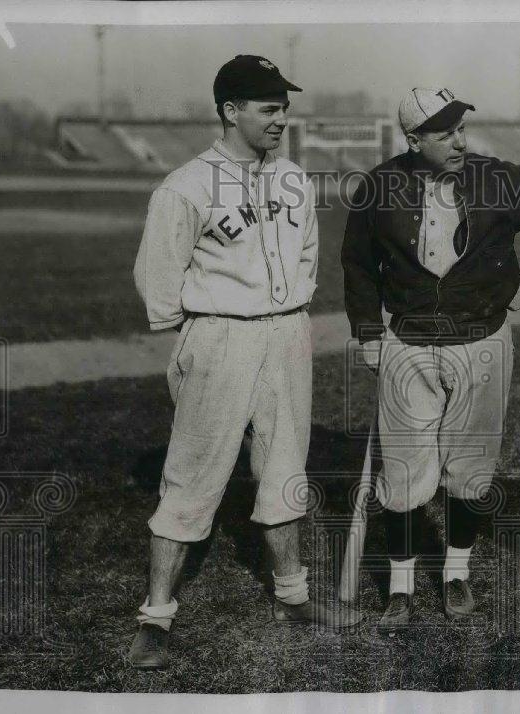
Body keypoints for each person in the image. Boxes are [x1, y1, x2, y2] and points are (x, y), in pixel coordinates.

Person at [128, 54, 358, 671]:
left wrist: (284, 311)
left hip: (286, 334)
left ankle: (292, 596)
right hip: (220, 337)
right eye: (268, 107)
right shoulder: (185, 185)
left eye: (284, 107)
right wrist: (205, 332)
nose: (281, 119)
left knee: (286, 465)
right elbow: (158, 278)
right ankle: (155, 616)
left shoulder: (292, 180)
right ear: (230, 111)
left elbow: (307, 254)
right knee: (193, 475)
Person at [340, 87, 520, 631]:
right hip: (408, 342)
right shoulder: (379, 186)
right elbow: (357, 264)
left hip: (482, 340)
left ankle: (456, 572)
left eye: (461, 130)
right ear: (414, 139)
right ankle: (400, 585)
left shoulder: (499, 177)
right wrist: (368, 333)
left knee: (470, 469)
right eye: (445, 134)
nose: (459, 142)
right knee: (401, 470)